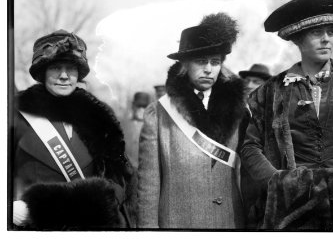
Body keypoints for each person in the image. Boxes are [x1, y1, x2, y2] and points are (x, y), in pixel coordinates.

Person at [240, 0, 333, 230]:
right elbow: (250, 147)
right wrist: (279, 183)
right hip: (290, 213)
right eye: (317, 33)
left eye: (331, 32)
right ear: (298, 38)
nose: (326, 40)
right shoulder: (268, 93)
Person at [12, 30, 136, 230]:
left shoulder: (101, 118)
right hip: (33, 229)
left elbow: (121, 176)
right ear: (42, 72)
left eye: (71, 68)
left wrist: (107, 201)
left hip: (91, 229)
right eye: (56, 67)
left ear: (79, 74)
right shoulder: (14, 114)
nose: (63, 76)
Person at [137, 13, 246, 229]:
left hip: (230, 224)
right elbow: (148, 186)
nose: (208, 69)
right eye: (200, 61)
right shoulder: (159, 113)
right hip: (179, 226)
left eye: (215, 62)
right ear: (184, 65)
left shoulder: (240, 110)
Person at [123, 92, 151, 167]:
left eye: (144, 106)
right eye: (139, 106)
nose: (141, 109)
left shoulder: (152, 127)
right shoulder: (123, 124)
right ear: (133, 105)